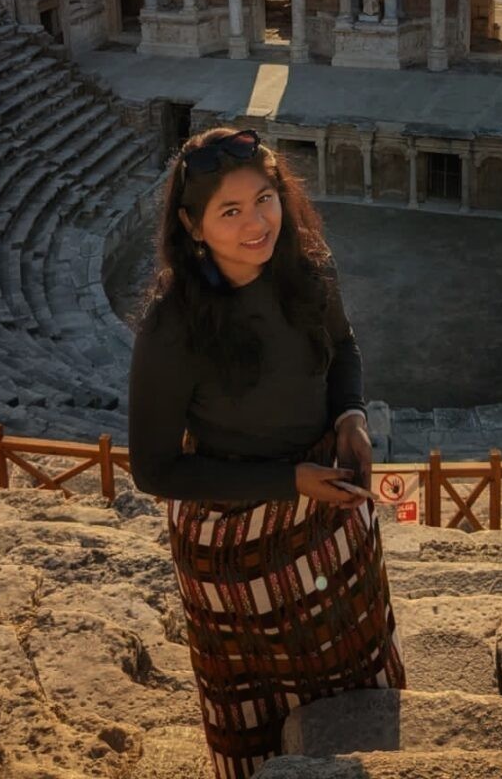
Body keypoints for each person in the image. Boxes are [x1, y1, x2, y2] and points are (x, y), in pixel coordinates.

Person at [127, 126, 406, 777]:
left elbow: (343, 347)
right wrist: (291, 482)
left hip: (330, 514)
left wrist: (351, 416)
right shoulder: (171, 330)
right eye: (231, 211)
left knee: (357, 679)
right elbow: (154, 468)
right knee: (254, 721)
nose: (257, 223)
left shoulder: (306, 265)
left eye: (265, 198)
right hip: (237, 550)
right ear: (194, 228)